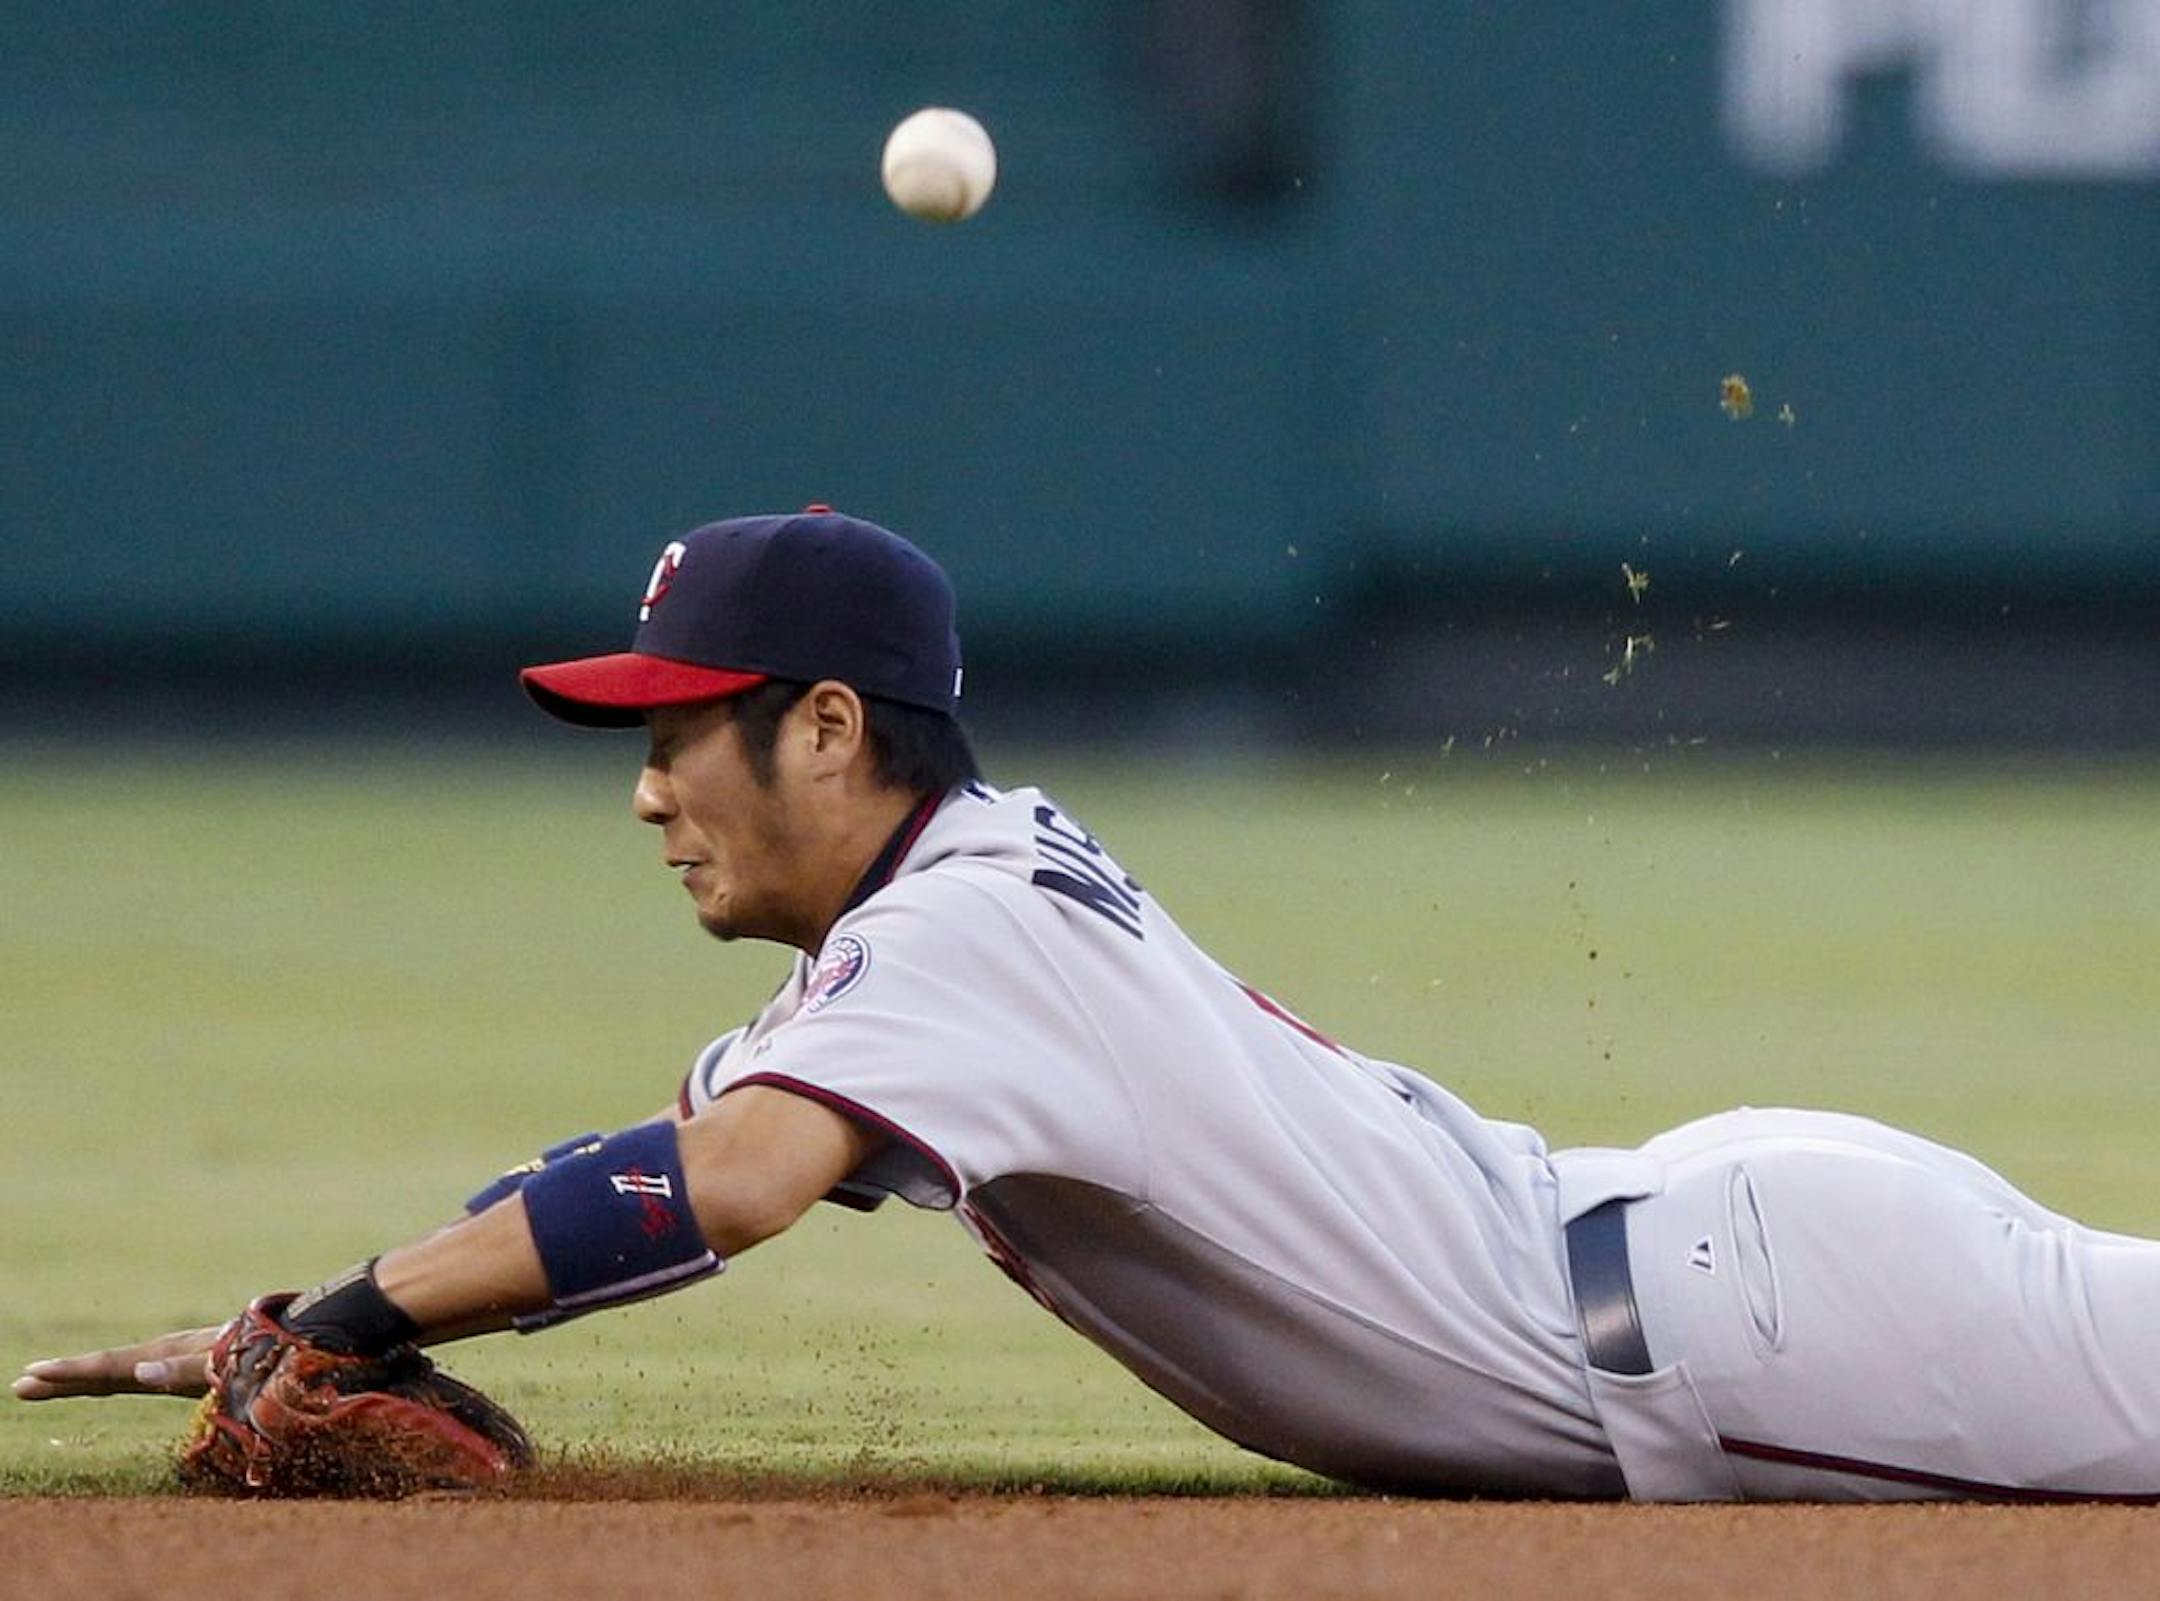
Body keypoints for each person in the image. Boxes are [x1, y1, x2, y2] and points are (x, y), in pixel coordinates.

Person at [17, 507, 2160, 1501]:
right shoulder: (942, 914)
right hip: (1708, 1261)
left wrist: (363, 1323)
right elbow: (643, 1176)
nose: (650, 789)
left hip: (1740, 1330)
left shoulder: (957, 947)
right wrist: (309, 1305)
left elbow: (729, 1188)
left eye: (684, 733)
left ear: (832, 729)